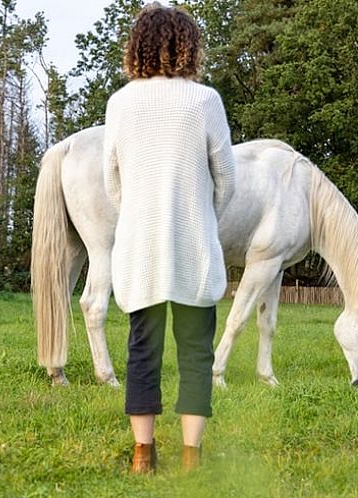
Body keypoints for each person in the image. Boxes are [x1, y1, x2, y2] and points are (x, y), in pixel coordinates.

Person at [102, 2, 236, 474]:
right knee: (197, 352)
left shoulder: (120, 103)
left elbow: (112, 183)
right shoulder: (205, 101)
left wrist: (140, 218)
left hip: (140, 251)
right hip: (194, 250)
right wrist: (199, 216)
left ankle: (143, 454)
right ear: (189, 47)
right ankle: (191, 457)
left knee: (143, 350)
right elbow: (227, 180)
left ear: (137, 46)